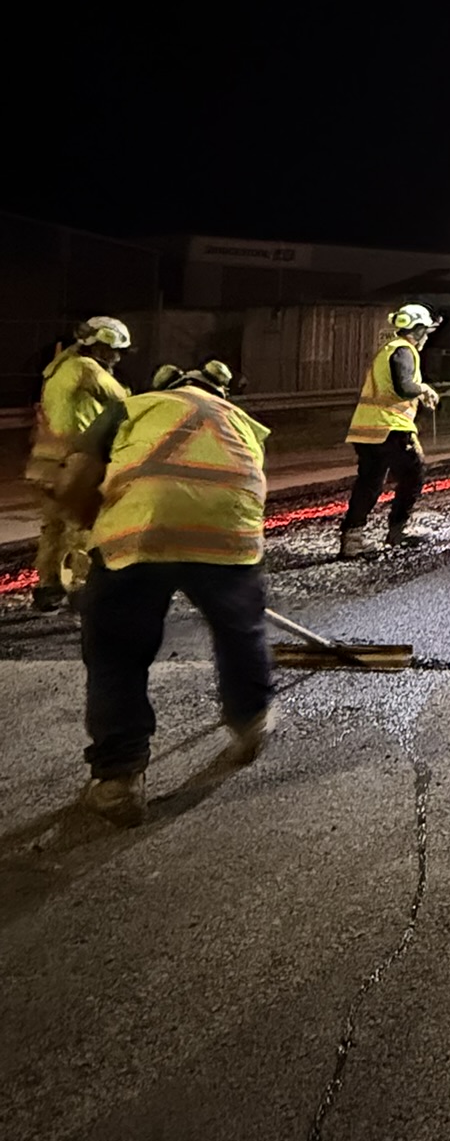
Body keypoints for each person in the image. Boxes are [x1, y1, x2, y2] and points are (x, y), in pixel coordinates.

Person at [56, 360, 274, 826]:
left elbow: (75, 480)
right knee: (240, 630)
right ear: (220, 390)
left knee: (116, 652)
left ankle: (118, 779)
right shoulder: (241, 421)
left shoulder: (133, 408)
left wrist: (87, 526)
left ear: (167, 385)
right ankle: (251, 718)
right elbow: (249, 487)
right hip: (227, 536)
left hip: (139, 533)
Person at [23, 316, 133, 612]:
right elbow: (124, 400)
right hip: (74, 463)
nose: (117, 357)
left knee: (53, 528)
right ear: (99, 346)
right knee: (83, 528)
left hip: (44, 462)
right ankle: (84, 592)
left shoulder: (57, 368)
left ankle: (47, 589)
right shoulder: (87, 369)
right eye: (114, 351)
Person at [339, 305, 441, 559]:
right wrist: (424, 389)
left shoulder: (389, 349)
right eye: (425, 331)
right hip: (391, 429)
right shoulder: (404, 351)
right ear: (416, 330)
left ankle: (352, 540)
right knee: (413, 475)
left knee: (370, 483)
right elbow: (404, 386)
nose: (427, 336)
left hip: (367, 430)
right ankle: (397, 531)